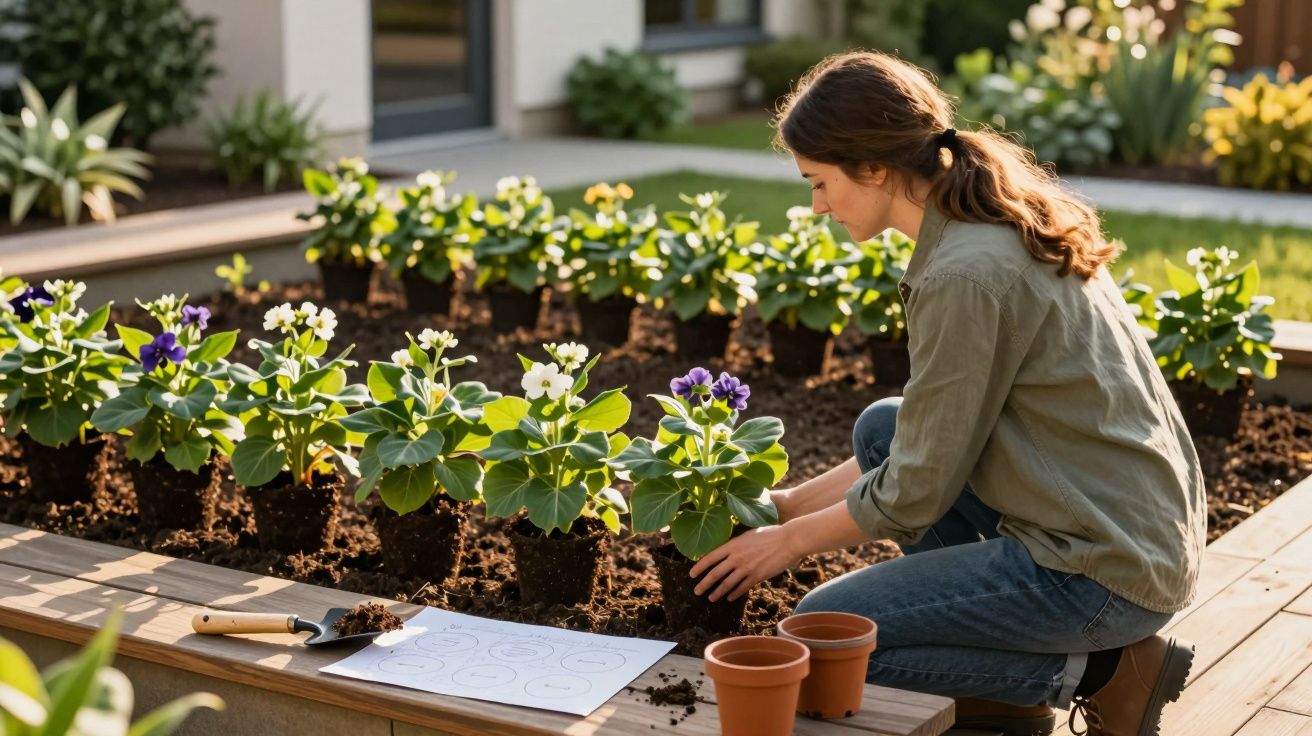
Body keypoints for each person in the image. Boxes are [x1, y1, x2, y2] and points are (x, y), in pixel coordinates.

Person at [688, 51, 1204, 736]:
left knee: (824, 645)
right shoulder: (991, 221)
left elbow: (915, 491)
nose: (815, 206)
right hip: (1128, 529)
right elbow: (927, 432)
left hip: (1097, 572)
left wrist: (787, 542)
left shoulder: (965, 274)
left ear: (872, 168)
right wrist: (786, 504)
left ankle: (1105, 676)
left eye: (819, 182)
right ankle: (1007, 698)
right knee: (882, 427)